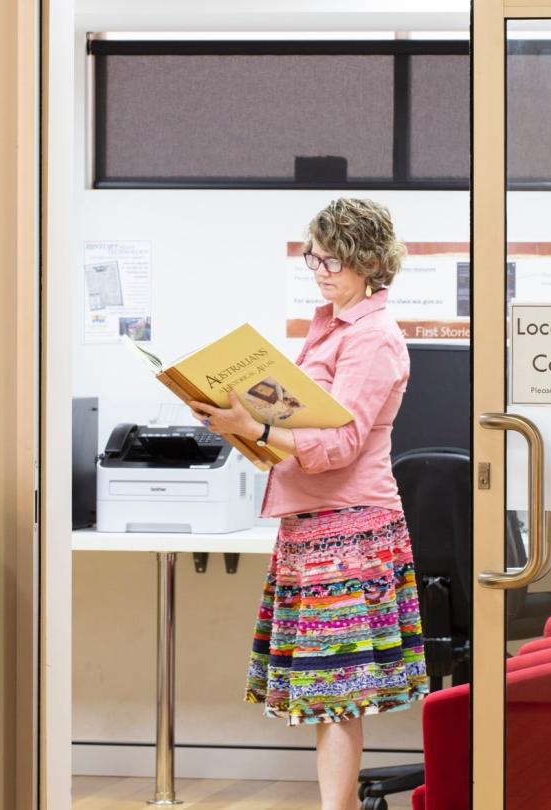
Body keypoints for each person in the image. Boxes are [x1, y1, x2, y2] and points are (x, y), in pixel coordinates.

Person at [189, 198, 429, 810]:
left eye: (334, 259)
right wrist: (236, 424)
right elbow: (297, 439)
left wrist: (259, 427)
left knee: (338, 690)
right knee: (325, 690)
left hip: (350, 528)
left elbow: (342, 443)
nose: (320, 269)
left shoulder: (373, 337)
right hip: (312, 525)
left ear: (370, 262)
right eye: (314, 257)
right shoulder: (328, 325)